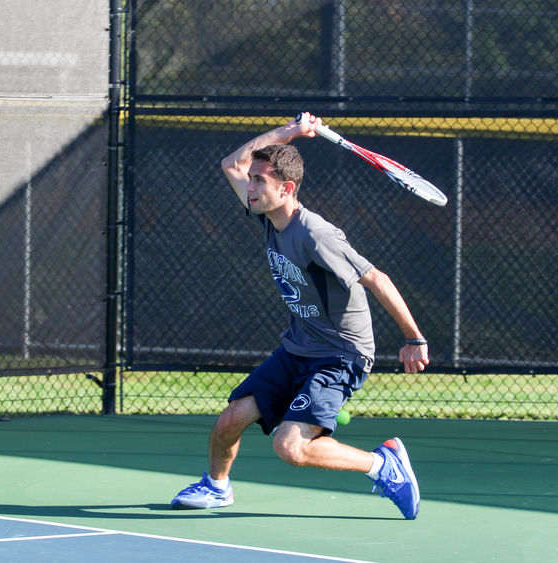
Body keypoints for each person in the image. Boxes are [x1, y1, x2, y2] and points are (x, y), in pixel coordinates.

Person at [170, 113, 428, 519]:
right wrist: (290, 132)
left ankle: (384, 465)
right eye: (252, 180)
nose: (249, 187)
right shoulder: (269, 217)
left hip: (340, 355)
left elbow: (377, 279)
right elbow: (231, 164)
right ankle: (217, 488)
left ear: (286, 189)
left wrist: (414, 339)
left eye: (260, 181)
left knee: (290, 447)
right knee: (229, 420)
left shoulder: (316, 234)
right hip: (298, 348)